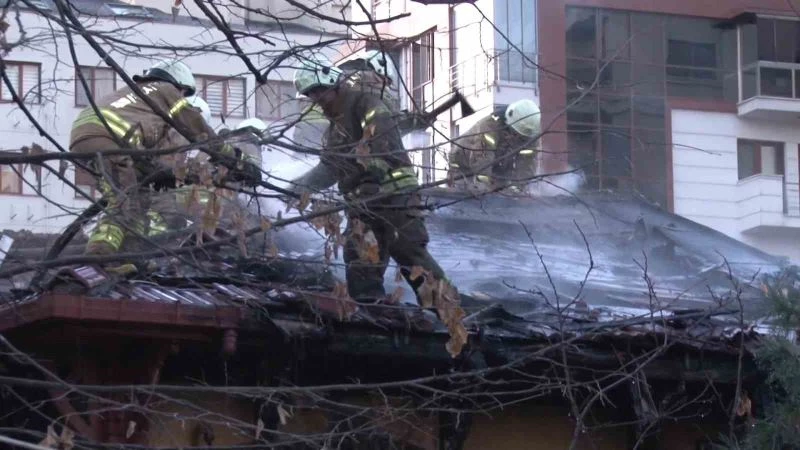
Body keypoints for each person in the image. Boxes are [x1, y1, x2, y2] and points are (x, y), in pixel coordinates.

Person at [289, 55, 451, 304]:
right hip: (363, 204)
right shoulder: (336, 127)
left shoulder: (364, 101)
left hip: (395, 197)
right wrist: (300, 186)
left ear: (332, 82)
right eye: (311, 95)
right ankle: (373, 315)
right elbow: (331, 167)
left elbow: (380, 135)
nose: (316, 100)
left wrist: (372, 175)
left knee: (411, 257)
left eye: (318, 92)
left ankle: (453, 319)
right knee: (359, 261)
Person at [69, 59, 260, 257]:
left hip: (83, 140)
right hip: (109, 141)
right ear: (179, 84)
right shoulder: (165, 90)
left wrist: (160, 175)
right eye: (184, 94)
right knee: (125, 203)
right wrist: (235, 160)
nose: (183, 98)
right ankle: (99, 258)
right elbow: (198, 130)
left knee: (138, 199)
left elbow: (145, 155)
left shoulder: (137, 95)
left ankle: (127, 256)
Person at [448, 99, 541, 192]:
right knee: (466, 196)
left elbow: (527, 165)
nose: (518, 138)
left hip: (497, 169)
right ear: (509, 124)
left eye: (522, 137)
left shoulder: (530, 136)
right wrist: (483, 183)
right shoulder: (490, 126)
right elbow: (483, 156)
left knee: (503, 197)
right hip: (463, 166)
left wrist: (517, 189)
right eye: (516, 134)